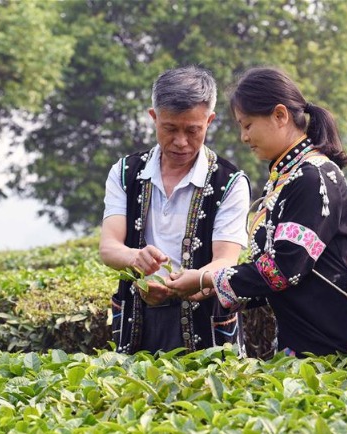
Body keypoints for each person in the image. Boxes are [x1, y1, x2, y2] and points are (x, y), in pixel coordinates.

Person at [166, 66, 347, 358]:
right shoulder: (287, 178)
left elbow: (284, 270)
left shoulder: (312, 177)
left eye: (247, 125)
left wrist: (208, 279)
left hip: (331, 350)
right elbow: (278, 277)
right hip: (303, 347)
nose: (244, 137)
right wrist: (214, 289)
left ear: (280, 115)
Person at [99, 65, 250, 354]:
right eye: (169, 128)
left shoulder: (229, 183)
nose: (181, 141)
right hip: (137, 321)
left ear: (210, 121)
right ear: (153, 117)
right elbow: (109, 247)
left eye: (193, 130)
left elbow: (224, 261)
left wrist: (188, 284)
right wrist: (136, 258)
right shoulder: (125, 173)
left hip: (207, 327)